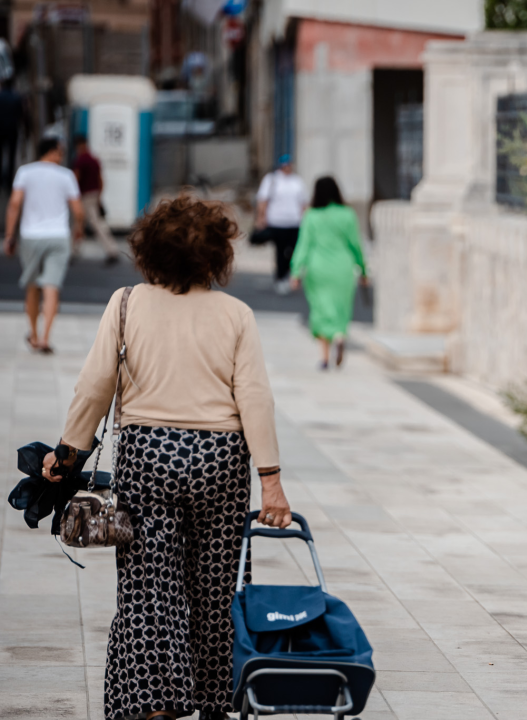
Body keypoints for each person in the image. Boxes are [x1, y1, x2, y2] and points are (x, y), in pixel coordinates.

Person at [40, 195, 291, 720]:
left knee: (149, 586)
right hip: (220, 459)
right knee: (216, 584)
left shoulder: (126, 303)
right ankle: (215, 700)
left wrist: (67, 455)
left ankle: (155, 704)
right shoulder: (235, 314)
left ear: (148, 249)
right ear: (217, 254)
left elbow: (94, 386)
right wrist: (270, 480)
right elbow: (255, 399)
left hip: (148, 458)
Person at [3, 137, 84, 354]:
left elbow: (14, 204)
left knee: (32, 286)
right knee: (52, 286)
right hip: (58, 236)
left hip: (31, 236)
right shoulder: (66, 176)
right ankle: (45, 338)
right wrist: (79, 230)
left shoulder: (25, 172)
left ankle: (34, 334)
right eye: (60, 151)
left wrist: (9, 236)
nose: (62, 155)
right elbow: (78, 210)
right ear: (52, 151)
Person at [289, 176, 367, 369]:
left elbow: (303, 245)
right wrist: (363, 269)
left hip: (318, 268)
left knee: (320, 309)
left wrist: (296, 271)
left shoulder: (311, 215)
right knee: (340, 307)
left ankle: (324, 358)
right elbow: (356, 244)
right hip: (343, 267)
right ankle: (339, 335)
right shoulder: (347, 214)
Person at [256, 154, 306, 295]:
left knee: (293, 251)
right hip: (277, 222)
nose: (287, 167)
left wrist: (306, 219)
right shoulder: (271, 179)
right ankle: (280, 277)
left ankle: (289, 275)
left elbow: (303, 203)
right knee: (280, 251)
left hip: (294, 222)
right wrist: (261, 217)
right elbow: (263, 200)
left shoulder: (297, 181)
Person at [72, 134, 121, 265]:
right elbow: (101, 180)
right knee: (82, 224)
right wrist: (99, 197)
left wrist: (73, 197)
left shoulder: (80, 161)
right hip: (94, 194)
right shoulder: (94, 160)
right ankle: (73, 250)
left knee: (93, 223)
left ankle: (112, 250)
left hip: (84, 196)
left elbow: (75, 180)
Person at [0, 79, 22, 195]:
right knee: (11, 156)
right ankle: (9, 183)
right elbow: (20, 114)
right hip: (12, 129)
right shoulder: (16, 97)